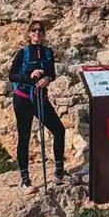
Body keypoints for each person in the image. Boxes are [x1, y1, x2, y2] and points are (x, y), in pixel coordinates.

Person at [9, 19, 68, 194]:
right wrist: (30, 75)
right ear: (29, 33)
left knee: (59, 130)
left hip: (40, 98)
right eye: (33, 30)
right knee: (24, 137)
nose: (37, 33)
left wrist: (48, 79)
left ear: (43, 33)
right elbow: (12, 76)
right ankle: (25, 180)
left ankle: (58, 173)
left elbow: (52, 73)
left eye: (40, 30)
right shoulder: (23, 53)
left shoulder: (48, 52)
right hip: (23, 98)